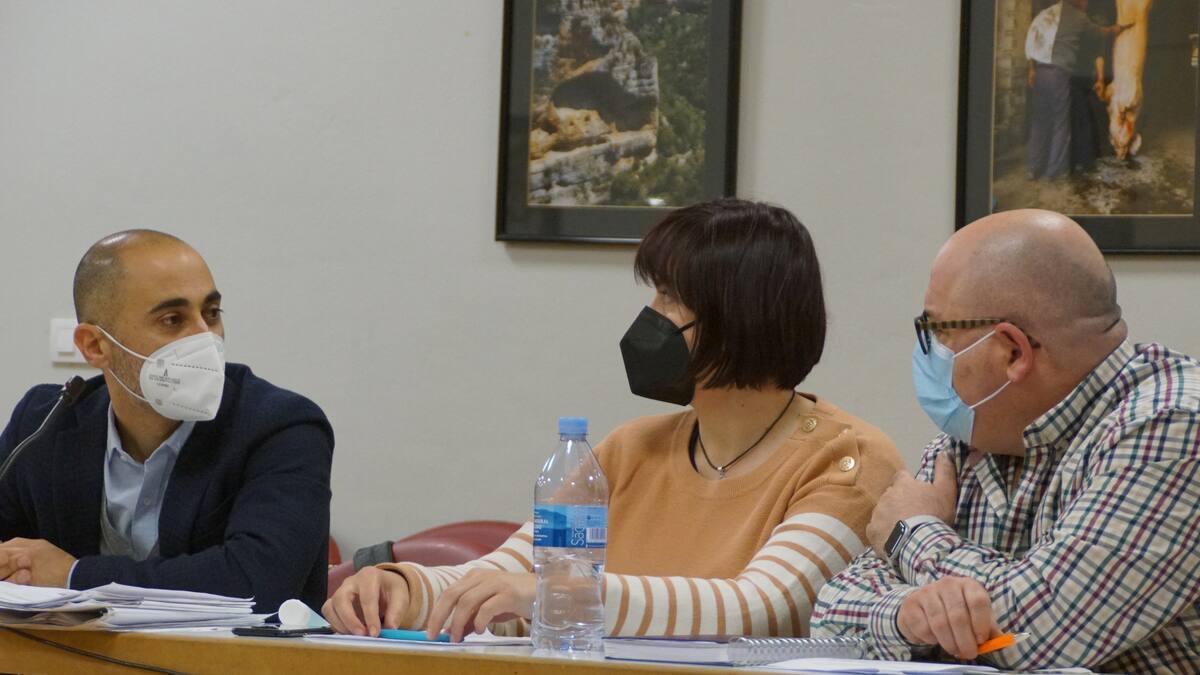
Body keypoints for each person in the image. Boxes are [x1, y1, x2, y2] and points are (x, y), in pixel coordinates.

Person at [324, 199, 904, 640]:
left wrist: (559, 595)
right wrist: (405, 588)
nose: (650, 315)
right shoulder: (628, 450)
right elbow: (512, 574)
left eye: (670, 298)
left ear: (740, 317)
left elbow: (761, 607)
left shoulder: (846, 458)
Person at [810, 209, 1200, 672]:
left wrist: (910, 532)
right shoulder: (968, 439)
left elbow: (1038, 633)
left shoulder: (1175, 425)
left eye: (937, 330)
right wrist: (906, 616)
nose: (927, 350)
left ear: (1013, 351)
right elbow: (830, 619)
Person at [0, 230, 334, 613]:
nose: (205, 338)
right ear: (95, 346)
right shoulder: (44, 422)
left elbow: (258, 583)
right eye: (172, 320)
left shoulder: (283, 427)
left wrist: (74, 575)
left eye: (211, 313)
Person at [1025, 1, 1126, 179]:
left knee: (1040, 121)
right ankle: (1055, 172)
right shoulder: (1078, 17)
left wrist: (1032, 69)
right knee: (1061, 123)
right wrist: (1117, 29)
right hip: (1058, 73)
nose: (1087, 3)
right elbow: (1101, 32)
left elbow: (1031, 39)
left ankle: (1033, 169)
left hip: (1041, 73)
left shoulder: (1046, 13)